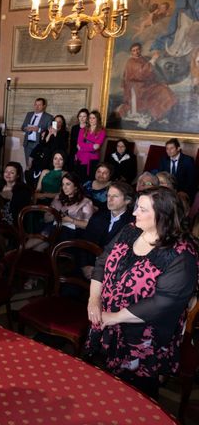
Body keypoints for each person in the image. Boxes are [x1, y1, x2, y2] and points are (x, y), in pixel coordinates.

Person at [86, 187, 199, 398]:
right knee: (103, 385)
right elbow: (102, 262)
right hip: (107, 322)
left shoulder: (181, 254)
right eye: (137, 206)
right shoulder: (130, 230)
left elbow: (162, 303)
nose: (135, 212)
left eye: (142, 209)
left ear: (162, 216)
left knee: (136, 395)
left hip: (144, 338)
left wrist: (113, 317)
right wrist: (94, 299)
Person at [117, 43, 176, 124]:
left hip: (147, 85)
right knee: (159, 92)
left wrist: (161, 81)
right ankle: (157, 115)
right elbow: (141, 73)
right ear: (131, 52)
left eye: (137, 50)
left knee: (164, 90)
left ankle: (160, 115)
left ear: (140, 50)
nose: (136, 52)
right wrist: (153, 60)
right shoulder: (130, 62)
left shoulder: (143, 59)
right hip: (137, 88)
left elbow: (152, 73)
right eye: (134, 51)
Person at [48, 172, 94, 242]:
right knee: (42, 238)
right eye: (63, 184)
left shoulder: (86, 202)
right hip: (55, 226)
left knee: (49, 237)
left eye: (68, 184)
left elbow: (87, 225)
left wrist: (70, 220)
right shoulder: (58, 197)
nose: (64, 187)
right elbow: (47, 217)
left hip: (73, 232)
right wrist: (52, 215)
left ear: (76, 186)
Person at [20, 98, 54, 169]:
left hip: (38, 144)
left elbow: (49, 132)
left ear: (44, 106)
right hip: (28, 143)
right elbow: (22, 127)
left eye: (39, 105)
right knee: (28, 165)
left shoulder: (48, 117)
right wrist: (26, 128)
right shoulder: (29, 114)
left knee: (37, 165)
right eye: (35, 104)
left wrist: (38, 129)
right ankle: (28, 179)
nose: (37, 107)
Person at [75, 110, 106, 180]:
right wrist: (92, 145)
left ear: (97, 119)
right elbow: (79, 145)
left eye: (93, 118)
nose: (91, 120)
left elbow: (97, 146)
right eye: (90, 118)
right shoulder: (82, 130)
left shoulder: (102, 131)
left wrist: (83, 146)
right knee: (79, 178)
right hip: (81, 157)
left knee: (90, 179)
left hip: (93, 159)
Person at [0, 161, 32, 226]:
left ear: (17, 175)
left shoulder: (23, 189)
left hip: (13, 221)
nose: (8, 174)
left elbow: (20, 209)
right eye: (6, 172)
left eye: (12, 172)